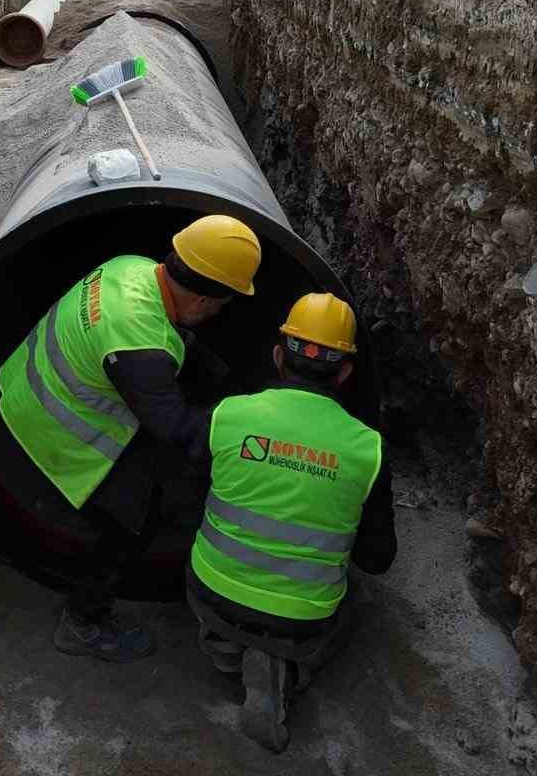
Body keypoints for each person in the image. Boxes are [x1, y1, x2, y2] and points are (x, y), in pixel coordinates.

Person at [0, 214, 262, 662]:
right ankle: (83, 622)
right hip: (54, 431)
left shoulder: (130, 267)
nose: (220, 314)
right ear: (201, 298)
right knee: (133, 518)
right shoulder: (141, 345)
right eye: (222, 304)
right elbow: (174, 428)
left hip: (25, 388)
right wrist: (243, 423)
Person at [186, 292, 396, 751]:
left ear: (278, 355)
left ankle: (222, 645)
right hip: (302, 618)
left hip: (212, 589)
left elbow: (189, 487)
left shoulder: (227, 415)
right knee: (359, 595)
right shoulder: (368, 449)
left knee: (210, 545)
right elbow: (378, 558)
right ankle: (288, 668)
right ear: (344, 372)